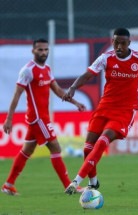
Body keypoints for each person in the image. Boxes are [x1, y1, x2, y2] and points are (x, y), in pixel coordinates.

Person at [63, 28, 138, 195]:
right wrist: (73, 88)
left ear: (129, 43)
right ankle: (93, 183)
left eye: (122, 43)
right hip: (104, 107)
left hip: (125, 110)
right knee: (87, 148)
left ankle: (76, 181)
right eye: (116, 42)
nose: (119, 46)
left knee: (102, 141)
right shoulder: (106, 58)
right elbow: (87, 75)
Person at [1, 38, 86, 196]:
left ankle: (8, 185)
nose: (43, 53)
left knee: (27, 150)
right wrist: (9, 118)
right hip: (38, 118)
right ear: (33, 51)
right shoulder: (28, 70)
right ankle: (69, 186)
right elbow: (16, 94)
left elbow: (58, 90)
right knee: (55, 147)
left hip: (41, 118)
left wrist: (75, 102)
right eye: (40, 50)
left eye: (46, 50)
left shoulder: (47, 69)